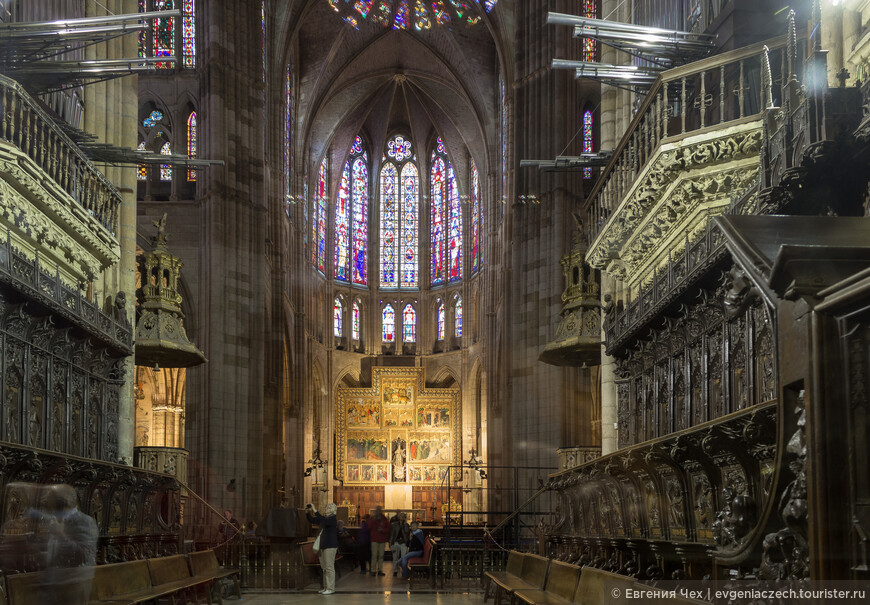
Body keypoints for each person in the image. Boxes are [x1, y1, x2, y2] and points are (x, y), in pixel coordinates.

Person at [39, 484, 99, 604]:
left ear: (62, 503)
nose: (45, 503)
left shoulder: (84, 521)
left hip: (74, 584)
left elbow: (84, 555)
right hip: (55, 582)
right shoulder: (57, 519)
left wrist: (61, 535)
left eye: (50, 499)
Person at [306, 503, 339, 595]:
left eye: (328, 507)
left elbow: (322, 519)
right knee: (324, 567)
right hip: (323, 545)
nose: (326, 508)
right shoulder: (324, 519)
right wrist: (308, 512)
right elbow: (312, 520)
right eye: (326, 506)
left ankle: (331, 588)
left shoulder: (332, 519)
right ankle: (326, 587)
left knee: (329, 567)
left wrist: (315, 509)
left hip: (330, 545)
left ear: (332, 510)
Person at [367, 506, 390, 576]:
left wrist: (383, 530)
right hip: (374, 539)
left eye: (380, 510)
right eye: (377, 510)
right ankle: (373, 570)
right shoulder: (372, 518)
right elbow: (369, 527)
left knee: (381, 555)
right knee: (374, 555)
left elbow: (388, 528)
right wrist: (374, 518)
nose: (379, 511)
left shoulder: (384, 518)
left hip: (382, 539)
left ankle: (380, 570)